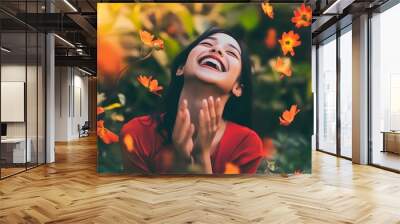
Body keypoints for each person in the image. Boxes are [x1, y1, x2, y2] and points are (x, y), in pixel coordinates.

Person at [120, 27, 263, 174]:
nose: (217, 49)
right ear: (181, 67)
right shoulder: (137, 133)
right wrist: (181, 161)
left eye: (231, 52)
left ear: (238, 87)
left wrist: (202, 157)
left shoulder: (246, 145)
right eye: (207, 44)